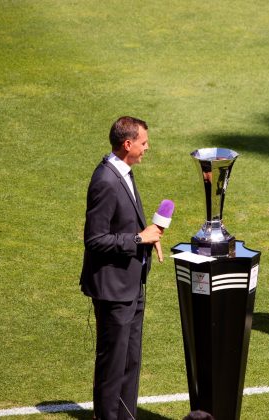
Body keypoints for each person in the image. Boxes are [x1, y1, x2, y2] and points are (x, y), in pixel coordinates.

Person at [80, 116, 164, 420]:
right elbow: (95, 239)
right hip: (113, 289)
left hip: (131, 283)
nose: (147, 147)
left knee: (130, 360)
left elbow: (125, 222)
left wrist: (147, 237)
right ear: (127, 144)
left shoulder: (123, 172)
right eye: (143, 142)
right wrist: (137, 238)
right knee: (112, 363)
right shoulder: (105, 180)